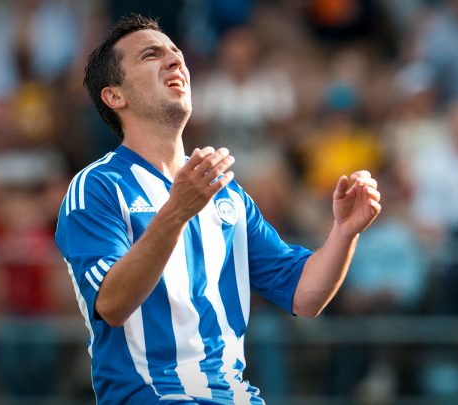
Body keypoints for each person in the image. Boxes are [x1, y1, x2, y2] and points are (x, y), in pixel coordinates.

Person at [54, 14, 381, 404]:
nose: (175, 62)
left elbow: (304, 295)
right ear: (115, 96)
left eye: (176, 54)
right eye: (151, 55)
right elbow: (110, 303)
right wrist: (177, 211)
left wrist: (345, 232)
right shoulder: (98, 187)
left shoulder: (225, 193)